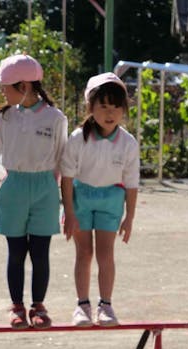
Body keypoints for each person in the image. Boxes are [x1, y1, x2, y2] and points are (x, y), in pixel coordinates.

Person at [0, 54, 67, 329]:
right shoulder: (4, 118)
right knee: (15, 252)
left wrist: (55, 189)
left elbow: (61, 155)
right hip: (14, 185)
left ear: (23, 86)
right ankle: (17, 307)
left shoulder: (55, 118)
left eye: (6, 86)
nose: (2, 92)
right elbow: (3, 154)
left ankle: (38, 306)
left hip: (45, 186)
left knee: (40, 251)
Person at [60, 72, 139, 327]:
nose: (110, 113)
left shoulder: (128, 143)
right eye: (103, 106)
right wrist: (69, 212)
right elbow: (67, 177)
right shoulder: (77, 138)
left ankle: (106, 305)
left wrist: (129, 218)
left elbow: (132, 183)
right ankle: (82, 305)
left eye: (116, 107)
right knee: (83, 253)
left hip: (111, 201)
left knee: (106, 254)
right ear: (90, 106)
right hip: (81, 199)